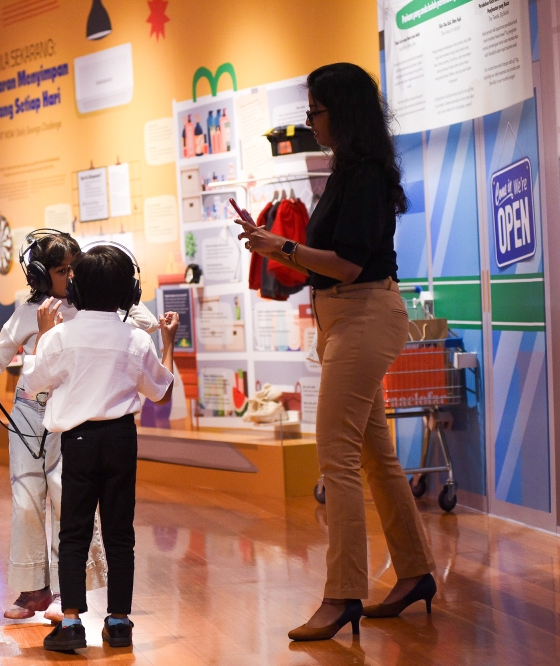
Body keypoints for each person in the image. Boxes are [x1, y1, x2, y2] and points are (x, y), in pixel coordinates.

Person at [235, 63, 436, 642]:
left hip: (364, 316)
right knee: (373, 455)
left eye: (315, 111)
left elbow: (346, 263)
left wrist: (283, 245)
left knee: (337, 458)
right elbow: (329, 259)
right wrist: (280, 245)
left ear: (342, 112)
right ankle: (417, 572)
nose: (309, 121)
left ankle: (343, 593)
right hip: (347, 318)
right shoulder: (351, 169)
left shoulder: (365, 174)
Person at [0, 231, 159, 623]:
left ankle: (66, 591)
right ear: (41, 275)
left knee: (66, 502)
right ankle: (33, 588)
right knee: (25, 502)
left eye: (75, 267)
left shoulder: (92, 305)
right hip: (27, 413)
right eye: (62, 270)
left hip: (70, 417)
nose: (71, 275)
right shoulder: (27, 312)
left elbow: (144, 322)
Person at [21, 244, 179, 652]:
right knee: (119, 532)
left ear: (75, 289)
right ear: (131, 292)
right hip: (122, 438)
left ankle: (72, 623)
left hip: (78, 440)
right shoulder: (137, 339)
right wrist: (169, 343)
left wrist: (41, 337)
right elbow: (161, 391)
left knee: (73, 532)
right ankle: (119, 621)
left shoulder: (58, 336)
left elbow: (33, 384)